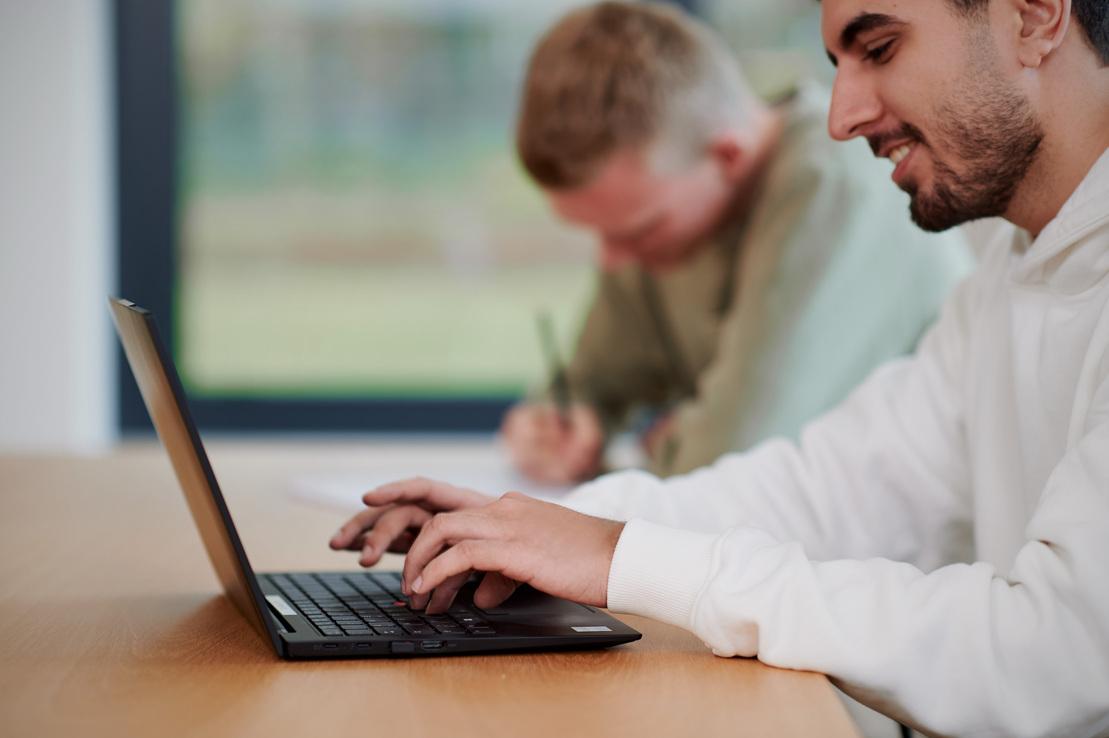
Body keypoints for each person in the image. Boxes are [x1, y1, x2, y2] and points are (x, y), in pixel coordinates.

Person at [331, 0, 1109, 735]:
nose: (840, 116)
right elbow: (828, 490)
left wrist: (621, 559)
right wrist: (533, 530)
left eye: (879, 47)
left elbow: (1056, 658)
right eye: (838, 65)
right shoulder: (1012, 275)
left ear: (1035, 13)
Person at [499, 2, 971, 483]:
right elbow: (592, 384)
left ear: (727, 155)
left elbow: (732, 458)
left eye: (637, 231)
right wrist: (556, 427)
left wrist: (672, 445)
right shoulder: (662, 208)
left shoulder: (834, 183)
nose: (611, 260)